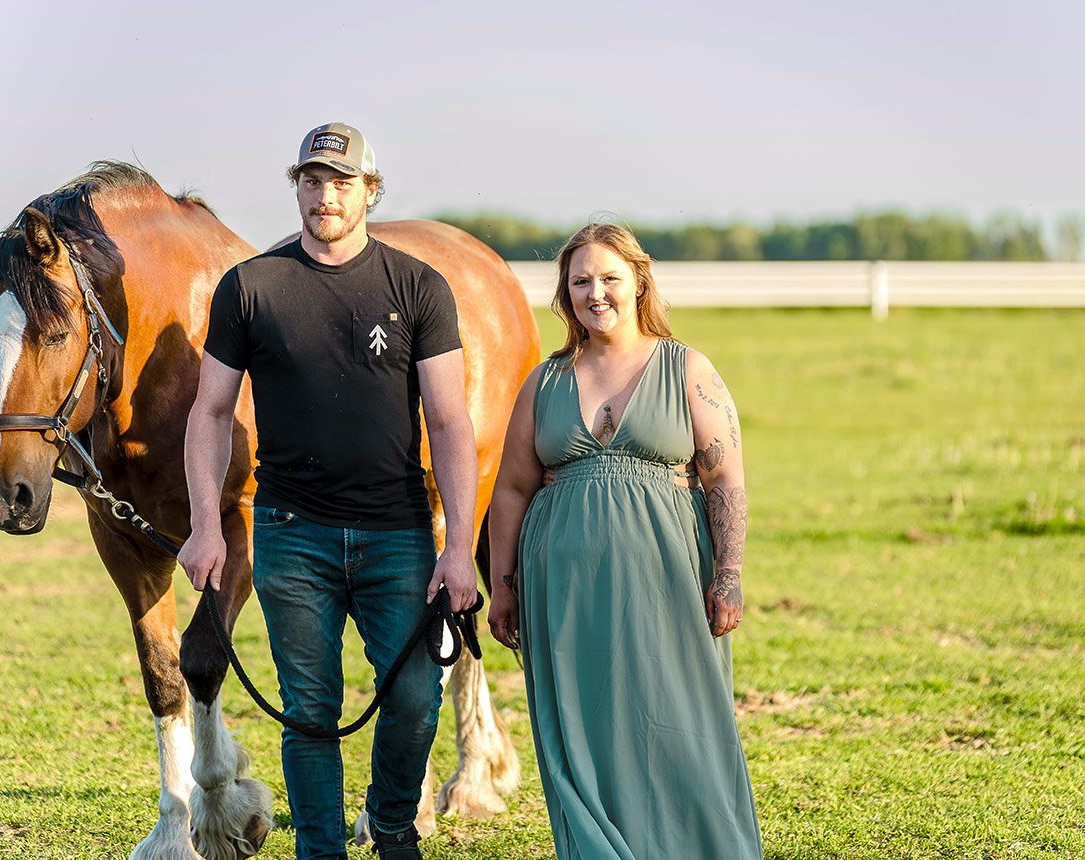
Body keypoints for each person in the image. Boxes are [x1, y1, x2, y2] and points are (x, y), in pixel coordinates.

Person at [179, 122, 479, 860]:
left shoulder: (416, 285)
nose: (325, 195)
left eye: (341, 182)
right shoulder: (250, 286)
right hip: (292, 533)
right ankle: (319, 851)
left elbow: (448, 420)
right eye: (311, 181)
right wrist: (205, 528)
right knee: (308, 712)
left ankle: (392, 824)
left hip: (397, 531)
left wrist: (460, 547)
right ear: (298, 188)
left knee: (414, 695)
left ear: (370, 192)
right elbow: (210, 411)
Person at [487, 223, 762, 859]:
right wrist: (503, 586)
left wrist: (729, 574)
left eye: (609, 277)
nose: (596, 293)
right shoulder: (545, 382)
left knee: (682, 725)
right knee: (583, 735)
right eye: (580, 281)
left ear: (638, 281)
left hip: (668, 579)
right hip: (564, 591)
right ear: (565, 294)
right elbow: (510, 490)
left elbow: (724, 477)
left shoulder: (688, 369)